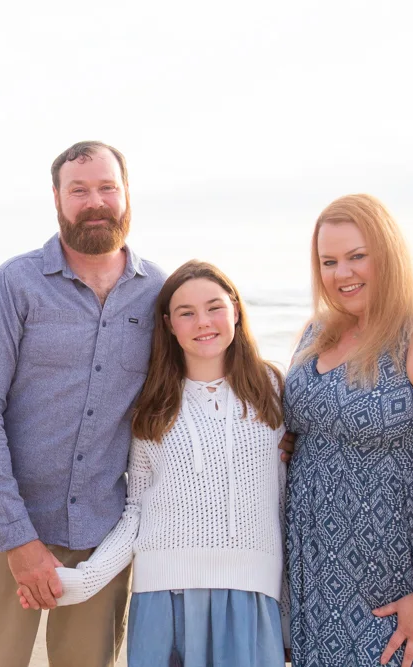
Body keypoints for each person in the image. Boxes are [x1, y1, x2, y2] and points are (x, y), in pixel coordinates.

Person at [0, 140, 166, 667]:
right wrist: (19, 542)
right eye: (79, 190)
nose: (95, 201)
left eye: (107, 187)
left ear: (127, 193)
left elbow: (188, 396)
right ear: (56, 199)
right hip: (6, 529)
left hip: (103, 540)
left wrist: (273, 432)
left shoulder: (159, 292)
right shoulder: (15, 285)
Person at [19, 260, 291, 667]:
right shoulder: (153, 406)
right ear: (168, 324)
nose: (203, 322)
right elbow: (135, 513)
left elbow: (286, 497)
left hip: (250, 595)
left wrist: (287, 610)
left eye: (215, 306)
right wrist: (86, 580)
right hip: (165, 601)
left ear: (235, 309)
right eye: (186, 312)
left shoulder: (273, 389)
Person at [283, 194, 413, 667]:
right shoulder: (318, 331)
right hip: (321, 585)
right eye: (329, 261)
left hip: (401, 591)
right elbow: (300, 428)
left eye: (358, 256)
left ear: (390, 254)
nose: (342, 273)